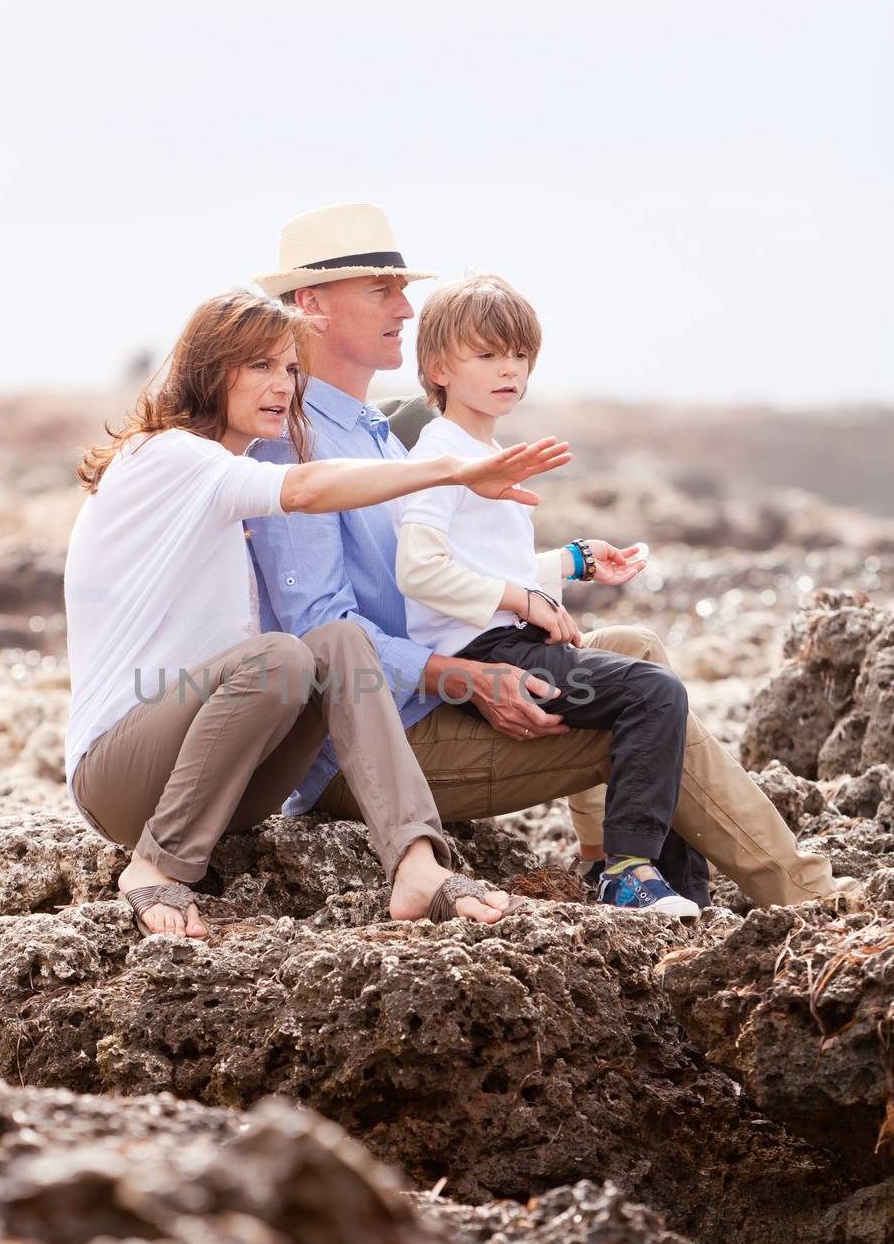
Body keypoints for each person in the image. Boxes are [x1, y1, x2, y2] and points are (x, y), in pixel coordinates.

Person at [245, 201, 837, 908]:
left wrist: (570, 566)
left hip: (431, 697)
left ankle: (626, 873)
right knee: (650, 708)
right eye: (382, 289)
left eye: (402, 287)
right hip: (371, 749)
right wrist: (464, 678)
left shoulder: (379, 432)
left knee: (633, 648)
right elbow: (321, 637)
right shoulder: (295, 447)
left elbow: (446, 566)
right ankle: (801, 898)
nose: (405, 306)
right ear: (309, 304)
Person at [64, 289, 568, 940]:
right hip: (119, 777)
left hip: (229, 785)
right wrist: (450, 470)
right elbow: (305, 489)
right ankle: (153, 867)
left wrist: (557, 571)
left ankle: (415, 863)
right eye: (260, 367)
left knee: (334, 639)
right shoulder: (169, 456)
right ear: (208, 368)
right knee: (280, 655)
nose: (283, 387)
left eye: (291, 369)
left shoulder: (228, 476)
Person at [395, 272, 702, 917]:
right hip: (489, 654)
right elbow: (418, 571)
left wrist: (576, 561)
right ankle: (622, 869)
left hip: (512, 637)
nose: (510, 370)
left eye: (520, 355)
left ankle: (680, 892)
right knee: (655, 692)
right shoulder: (441, 455)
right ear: (436, 366)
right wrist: (524, 600)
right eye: (488, 354)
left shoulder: (482, 447)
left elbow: (484, 558)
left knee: (650, 694)